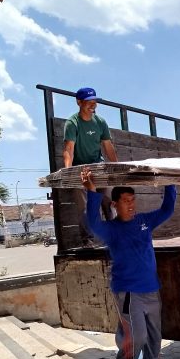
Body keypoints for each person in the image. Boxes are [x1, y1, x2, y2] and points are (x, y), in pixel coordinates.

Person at [80, 167, 177, 359]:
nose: (131, 205)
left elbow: (167, 209)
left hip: (151, 290)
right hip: (128, 293)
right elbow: (93, 224)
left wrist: (170, 183)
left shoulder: (144, 221)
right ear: (115, 204)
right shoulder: (111, 230)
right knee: (137, 336)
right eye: (125, 201)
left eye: (133, 200)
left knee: (154, 338)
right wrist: (92, 192)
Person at [64, 87, 118, 246]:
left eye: (94, 101)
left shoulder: (100, 122)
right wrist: (68, 171)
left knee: (108, 201)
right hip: (80, 169)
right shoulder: (72, 123)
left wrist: (116, 167)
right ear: (79, 102)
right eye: (88, 102)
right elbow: (68, 149)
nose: (92, 105)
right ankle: (87, 240)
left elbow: (108, 147)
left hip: (98, 166)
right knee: (84, 206)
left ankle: (115, 237)